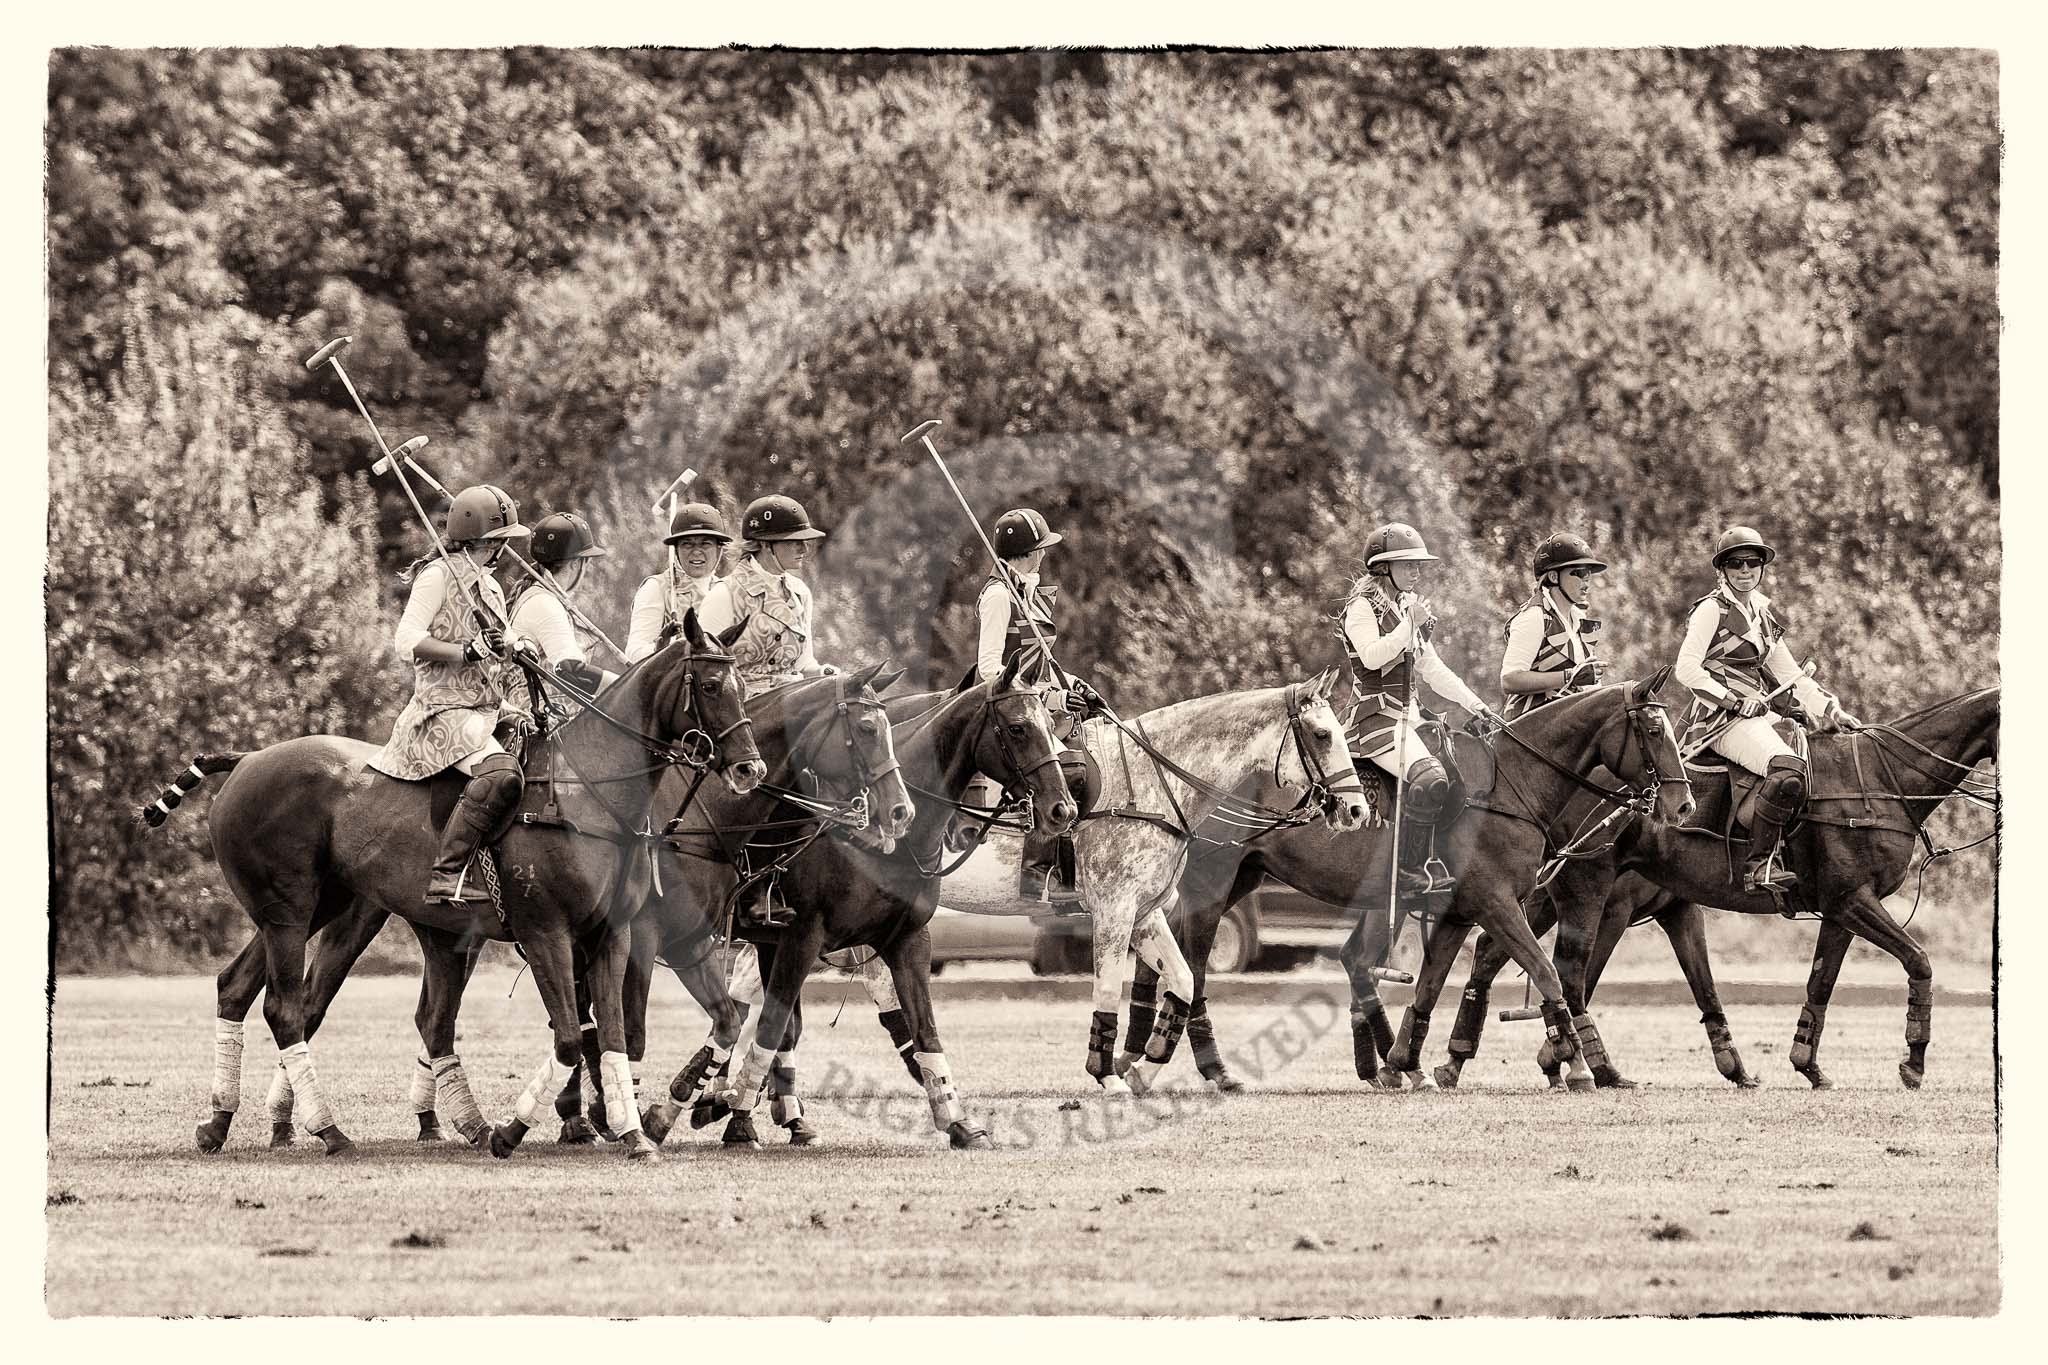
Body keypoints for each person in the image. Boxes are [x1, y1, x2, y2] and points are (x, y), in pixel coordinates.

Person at [368, 484, 534, 905]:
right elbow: (405, 641)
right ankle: (447, 874)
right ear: (486, 541)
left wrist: (520, 646)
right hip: (441, 712)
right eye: (503, 540)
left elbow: (502, 642)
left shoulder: (490, 588)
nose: (506, 549)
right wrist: (466, 651)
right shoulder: (438, 576)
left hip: (486, 709)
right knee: (502, 774)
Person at [1675, 526, 1859, 895]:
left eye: (1753, 563)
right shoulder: (1712, 610)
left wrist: (1830, 709)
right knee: (1788, 769)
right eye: (1736, 563)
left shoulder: (1760, 611)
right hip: (1721, 720)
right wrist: (1733, 699)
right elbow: (1687, 669)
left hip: (1757, 715)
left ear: (1762, 568)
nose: (1745, 570)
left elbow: (1790, 674)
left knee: (1818, 763)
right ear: (1722, 570)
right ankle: (1758, 866)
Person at [1340, 522, 1504, 899]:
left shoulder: (1405, 608)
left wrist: (1474, 704)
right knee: (1430, 777)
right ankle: (1410, 870)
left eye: (1418, 565)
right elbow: (1373, 656)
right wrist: (1408, 627)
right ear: (1384, 568)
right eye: (1408, 564)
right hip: (1374, 721)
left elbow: (1433, 671)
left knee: (1458, 773)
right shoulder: (1362, 609)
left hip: (1411, 718)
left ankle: (1439, 857)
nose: (1417, 571)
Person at [696, 494, 836, 926]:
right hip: (742, 710)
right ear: (764, 545)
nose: (803, 548)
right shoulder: (726, 594)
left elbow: (804, 661)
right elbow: (706, 664)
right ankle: (754, 886)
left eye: (803, 541)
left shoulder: (799, 592)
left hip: (792, 702)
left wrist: (824, 672)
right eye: (793, 541)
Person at [953, 507, 1104, 903]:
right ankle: (1037, 874)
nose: (1044, 555)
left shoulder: (1025, 590)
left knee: (1092, 757)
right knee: (1066, 769)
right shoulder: (1000, 595)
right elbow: (989, 667)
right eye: (1041, 548)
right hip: (1002, 705)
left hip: (1030, 700)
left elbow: (1042, 665)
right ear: (1030, 552)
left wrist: (1075, 686)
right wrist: (1050, 698)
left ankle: (1077, 868)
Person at [1500, 532, 1608, 720]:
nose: (1586, 581)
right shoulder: (1534, 616)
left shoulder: (1579, 619)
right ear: (1553, 576)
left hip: (1568, 728)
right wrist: (1569, 676)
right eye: (1580, 573)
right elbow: (1509, 680)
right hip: (1528, 731)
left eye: (1588, 574)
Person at [512, 511, 616, 705]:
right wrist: (632, 688)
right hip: (532, 718)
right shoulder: (544, 602)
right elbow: (571, 671)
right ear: (576, 564)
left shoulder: (544, 595)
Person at [626, 500, 732, 663]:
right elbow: (634, 654)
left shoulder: (726, 590)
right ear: (676, 550)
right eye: (687, 544)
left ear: (720, 549)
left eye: (705, 543)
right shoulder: (656, 588)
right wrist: (663, 647)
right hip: (670, 684)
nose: (696, 551)